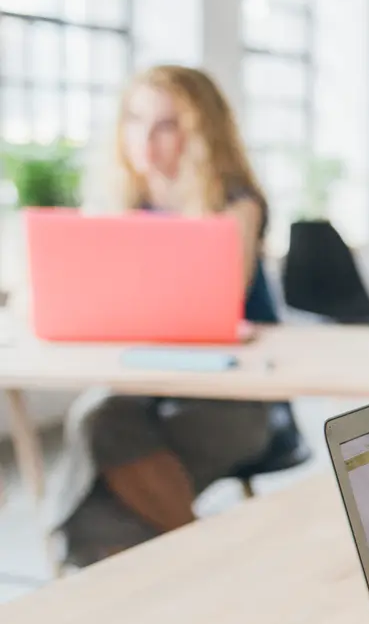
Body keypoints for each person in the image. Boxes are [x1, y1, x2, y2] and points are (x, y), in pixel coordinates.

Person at [45, 66, 278, 568]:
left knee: (105, 502)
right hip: (146, 389)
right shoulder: (122, 205)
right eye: (135, 120)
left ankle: (153, 563)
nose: (147, 139)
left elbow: (218, 296)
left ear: (200, 133)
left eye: (168, 124)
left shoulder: (237, 204)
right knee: (99, 417)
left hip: (233, 397)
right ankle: (206, 562)